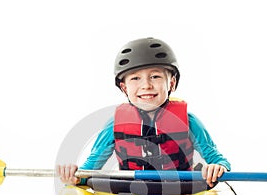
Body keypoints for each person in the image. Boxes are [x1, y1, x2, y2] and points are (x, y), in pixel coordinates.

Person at [57, 37, 230, 187]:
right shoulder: (114, 125)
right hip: (132, 194)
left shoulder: (189, 121)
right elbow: (88, 170)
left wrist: (217, 168)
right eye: (135, 78)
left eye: (155, 76)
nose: (146, 85)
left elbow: (218, 160)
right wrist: (75, 176)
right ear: (124, 87)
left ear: (171, 83)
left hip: (180, 193)